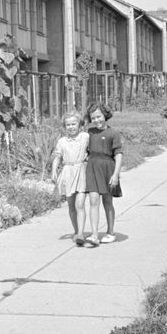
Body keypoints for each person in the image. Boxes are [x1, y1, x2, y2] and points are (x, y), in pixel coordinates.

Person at [84, 102, 123, 247]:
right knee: (93, 200)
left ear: (105, 115)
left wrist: (115, 174)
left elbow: (118, 154)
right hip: (92, 168)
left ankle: (110, 232)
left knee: (107, 201)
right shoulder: (90, 132)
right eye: (93, 118)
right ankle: (94, 235)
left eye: (99, 116)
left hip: (108, 168)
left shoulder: (113, 133)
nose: (96, 120)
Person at [51, 110, 89, 246]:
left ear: (79, 125)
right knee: (71, 205)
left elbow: (93, 149)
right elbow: (57, 156)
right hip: (68, 172)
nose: (71, 127)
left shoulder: (85, 137)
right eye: (68, 125)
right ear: (64, 126)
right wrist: (54, 170)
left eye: (74, 124)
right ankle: (76, 230)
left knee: (80, 204)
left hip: (81, 171)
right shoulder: (62, 141)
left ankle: (81, 233)